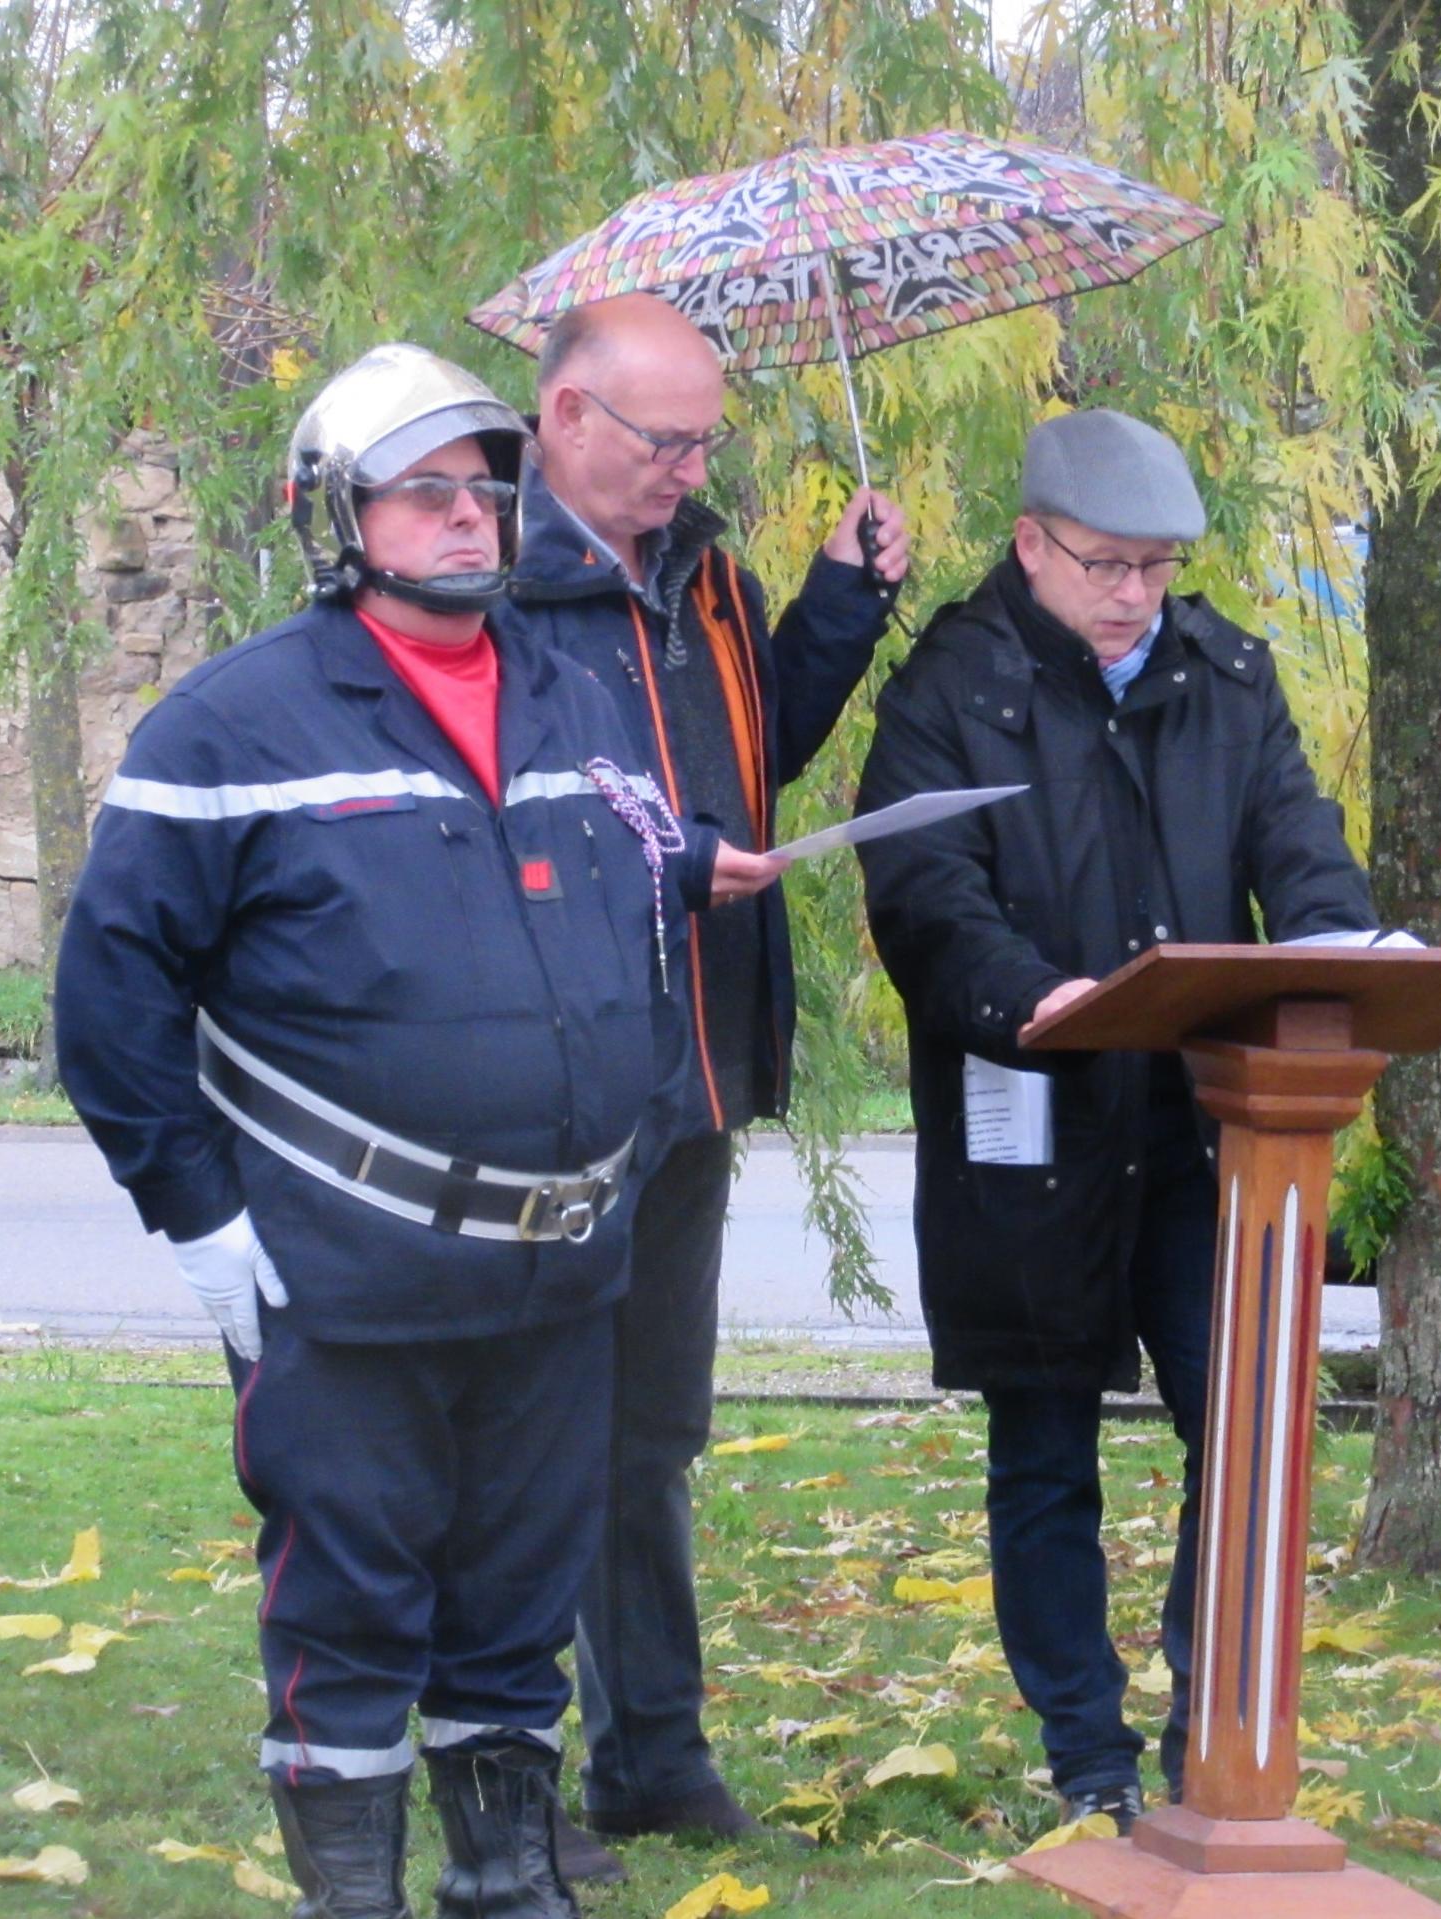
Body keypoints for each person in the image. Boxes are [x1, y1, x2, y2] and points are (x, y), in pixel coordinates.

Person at [54, 342, 690, 1919]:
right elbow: (110, 1003)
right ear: (337, 517)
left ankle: (506, 1889)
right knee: (349, 1619)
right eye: (427, 496)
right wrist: (196, 1218)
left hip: (558, 1278)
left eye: (486, 492)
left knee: (515, 1617)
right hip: (341, 1278)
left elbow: (627, 920)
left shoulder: (574, 695)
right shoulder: (228, 728)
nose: (471, 522)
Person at [855, 408, 1375, 1832]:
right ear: (1031, 545)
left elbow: (1302, 850)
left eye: (1157, 566)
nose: (1138, 593)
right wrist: (1034, 994)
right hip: (1038, 1127)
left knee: (1247, 1422)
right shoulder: (947, 690)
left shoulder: (1227, 674)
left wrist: (1336, 965)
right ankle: (1084, 1747)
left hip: (1215, 1135)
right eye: (1108, 565)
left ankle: (1214, 1717)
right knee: (1045, 1450)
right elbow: (921, 895)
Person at [510, 291, 909, 1875]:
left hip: (692, 1073)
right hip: (550, 1075)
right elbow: (497, 814)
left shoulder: (710, 580)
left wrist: (836, 608)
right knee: (529, 1434)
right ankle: (502, 1771)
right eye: (666, 442)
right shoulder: (487, 583)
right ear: (566, 422)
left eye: (703, 442)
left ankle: (651, 1758)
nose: (688, 469)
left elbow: (750, 766)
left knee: (650, 1430)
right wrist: (662, 865)